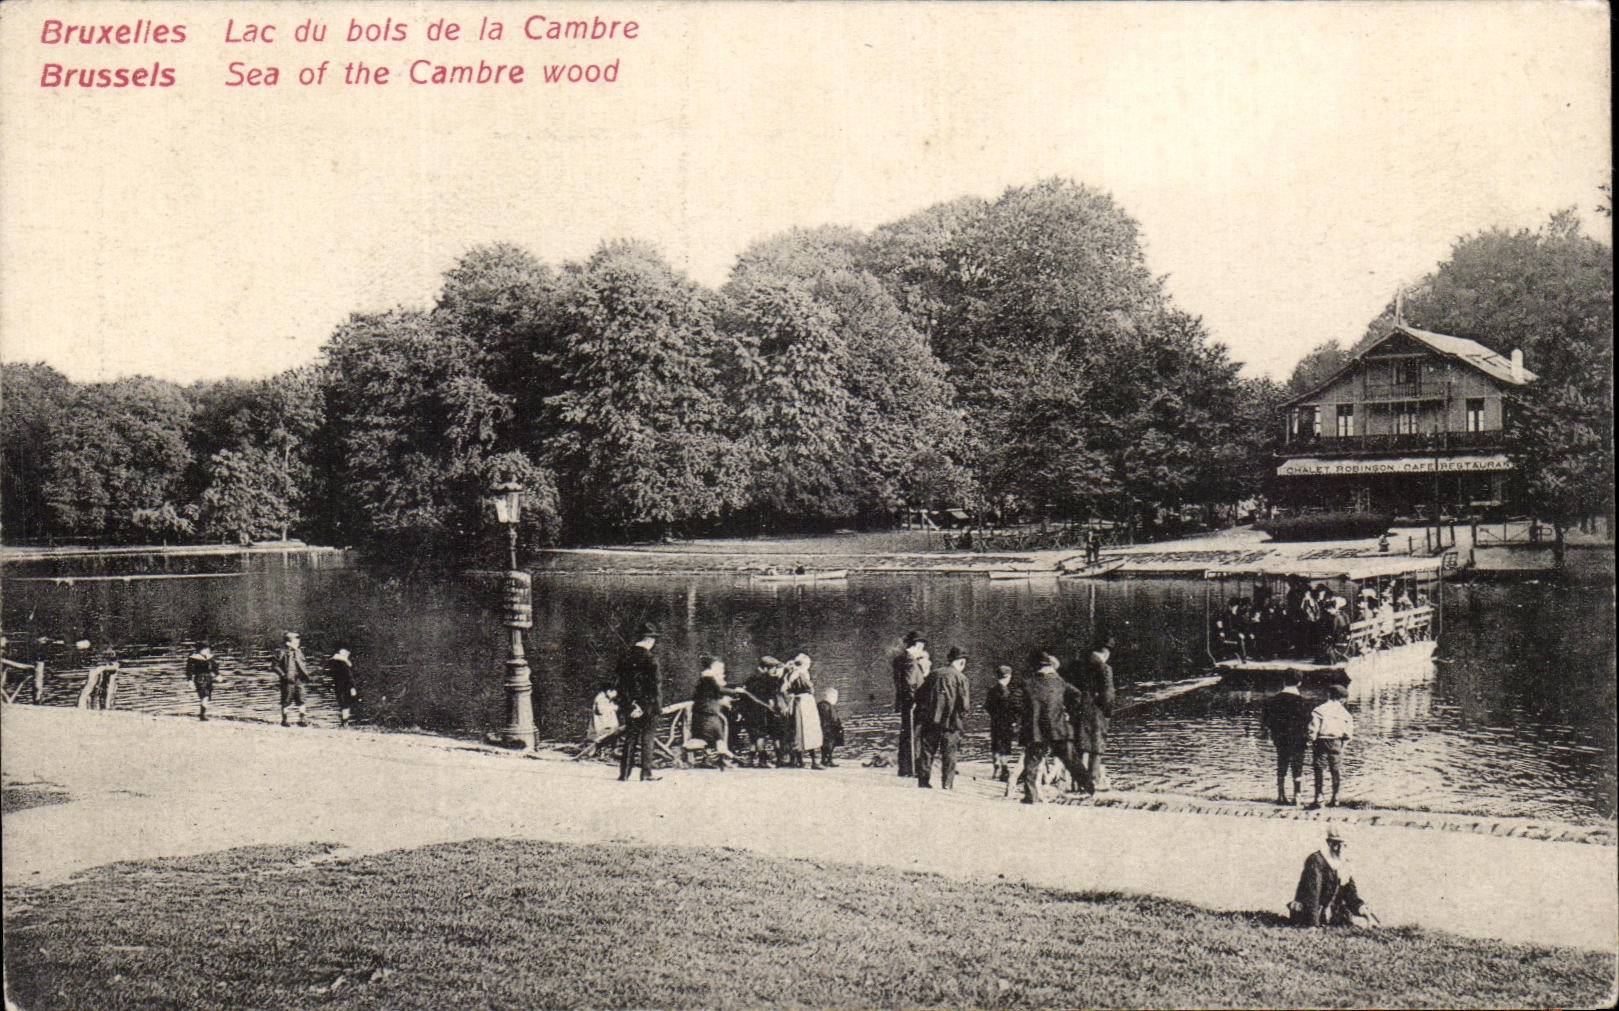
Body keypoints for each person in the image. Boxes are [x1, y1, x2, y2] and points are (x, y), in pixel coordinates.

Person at [1017, 652, 1087, 803]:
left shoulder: (1027, 683)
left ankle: (1031, 796)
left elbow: (1014, 702)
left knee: (1031, 763)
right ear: (1050, 667)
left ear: (1036, 667)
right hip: (1057, 728)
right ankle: (1089, 788)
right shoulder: (1059, 682)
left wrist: (1026, 715)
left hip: (1035, 731)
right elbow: (1077, 695)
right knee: (1071, 760)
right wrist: (1068, 712)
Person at [1289, 825, 1377, 927]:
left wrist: (1368, 916)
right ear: (1328, 843)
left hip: (1332, 916)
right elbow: (1313, 896)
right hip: (1308, 915)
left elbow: (1351, 895)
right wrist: (1313, 926)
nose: (1339, 849)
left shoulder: (1344, 864)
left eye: (1344, 845)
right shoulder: (1316, 861)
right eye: (1336, 844)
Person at [916, 646, 971, 790]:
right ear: (961, 662)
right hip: (951, 722)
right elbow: (964, 705)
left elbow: (920, 695)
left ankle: (923, 781)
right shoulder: (961, 678)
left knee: (927, 752)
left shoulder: (933, 674)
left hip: (931, 720)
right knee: (949, 754)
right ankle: (947, 784)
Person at [615, 623, 663, 782]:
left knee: (630, 737)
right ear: (649, 640)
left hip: (630, 704)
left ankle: (624, 773)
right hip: (648, 705)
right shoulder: (650, 658)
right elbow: (653, 685)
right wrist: (644, 704)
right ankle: (646, 773)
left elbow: (621, 683)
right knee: (647, 738)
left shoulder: (625, 656)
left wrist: (632, 704)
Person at [1261, 671, 1313, 804]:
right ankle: (1297, 796)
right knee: (1298, 765)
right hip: (1298, 738)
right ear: (1299, 683)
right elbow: (1309, 723)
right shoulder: (1304, 702)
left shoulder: (1271, 701)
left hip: (1280, 738)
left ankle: (1281, 795)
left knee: (1282, 763)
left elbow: (1266, 722)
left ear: (1284, 681)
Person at [1076, 635, 1117, 793]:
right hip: (1096, 711)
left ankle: (1078, 781)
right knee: (1097, 745)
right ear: (1106, 653)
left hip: (1080, 709)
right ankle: (1093, 781)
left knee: (1082, 745)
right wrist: (1108, 712)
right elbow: (1108, 694)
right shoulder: (1105, 668)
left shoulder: (1079, 665)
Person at [687, 657, 743, 768]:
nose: (722, 669)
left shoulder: (710, 679)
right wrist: (735, 691)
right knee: (705, 739)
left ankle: (725, 758)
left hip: (711, 712)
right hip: (705, 712)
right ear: (712, 667)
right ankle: (684, 750)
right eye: (719, 667)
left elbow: (715, 694)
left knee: (718, 737)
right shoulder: (708, 678)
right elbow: (719, 690)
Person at [1307, 684, 1354, 807]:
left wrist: (1311, 740)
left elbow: (1313, 729)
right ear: (1342, 699)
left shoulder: (1319, 710)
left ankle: (1319, 797)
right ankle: (1335, 797)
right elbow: (1349, 733)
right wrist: (1343, 745)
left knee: (1319, 768)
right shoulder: (1345, 713)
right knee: (1335, 769)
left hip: (1321, 741)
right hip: (1337, 741)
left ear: (1329, 695)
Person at [890, 631, 930, 777]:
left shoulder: (900, 659)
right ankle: (913, 768)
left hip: (905, 702)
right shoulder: (910, 661)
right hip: (913, 702)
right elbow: (910, 683)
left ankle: (905, 768)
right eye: (922, 646)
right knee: (915, 735)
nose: (923, 650)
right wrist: (913, 700)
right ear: (917, 645)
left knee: (907, 734)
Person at [738, 657, 785, 768]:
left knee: (755, 735)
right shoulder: (765, 679)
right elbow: (770, 697)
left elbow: (744, 695)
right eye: (772, 668)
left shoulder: (751, 678)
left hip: (750, 709)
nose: (774, 670)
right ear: (765, 668)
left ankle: (750, 759)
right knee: (760, 735)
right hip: (759, 710)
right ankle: (763, 760)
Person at [781, 654, 824, 769]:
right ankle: (814, 761)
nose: (809, 666)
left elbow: (785, 689)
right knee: (808, 729)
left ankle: (798, 760)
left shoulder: (791, 674)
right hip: (805, 703)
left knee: (798, 730)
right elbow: (809, 688)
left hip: (799, 702)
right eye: (808, 664)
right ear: (803, 664)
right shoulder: (800, 674)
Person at [984, 664, 1017, 782]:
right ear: (1008, 676)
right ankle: (1004, 767)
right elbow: (1014, 708)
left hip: (995, 722)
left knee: (995, 744)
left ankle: (996, 766)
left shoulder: (992, 690)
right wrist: (1015, 721)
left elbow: (987, 706)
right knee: (1006, 745)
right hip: (1007, 722)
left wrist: (994, 715)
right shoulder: (1010, 691)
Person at [274, 631, 312, 727]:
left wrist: (306, 674)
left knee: (301, 698)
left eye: (298, 642)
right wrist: (283, 675)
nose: (297, 644)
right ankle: (285, 719)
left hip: (298, 679)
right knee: (286, 699)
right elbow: (275, 666)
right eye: (295, 642)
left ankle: (302, 718)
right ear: (288, 643)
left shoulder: (299, 652)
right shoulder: (282, 652)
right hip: (287, 680)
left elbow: (303, 663)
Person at [577, 685, 620, 759]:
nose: (614, 696)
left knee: (607, 737)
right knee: (603, 737)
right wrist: (613, 708)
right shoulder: (601, 699)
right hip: (603, 723)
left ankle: (604, 752)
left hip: (606, 722)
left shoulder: (606, 699)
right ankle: (601, 753)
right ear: (609, 691)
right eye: (613, 693)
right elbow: (601, 710)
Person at [186, 644, 220, 721]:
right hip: (199, 678)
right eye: (206, 649)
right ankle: (203, 715)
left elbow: (214, 668)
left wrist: (218, 676)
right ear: (201, 650)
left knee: (207, 697)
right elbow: (189, 671)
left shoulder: (210, 657)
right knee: (204, 696)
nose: (208, 651)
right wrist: (190, 681)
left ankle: (202, 714)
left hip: (209, 679)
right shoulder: (193, 658)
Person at [328, 647, 359, 726]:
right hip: (345, 686)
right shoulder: (344, 663)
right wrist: (352, 687)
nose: (348, 654)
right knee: (346, 704)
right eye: (347, 653)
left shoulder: (333, 662)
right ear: (343, 653)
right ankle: (345, 722)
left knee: (342, 703)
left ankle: (344, 722)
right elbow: (349, 676)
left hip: (337, 686)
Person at [817, 687, 845, 768]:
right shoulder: (826, 706)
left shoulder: (822, 705)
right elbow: (832, 718)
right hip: (828, 729)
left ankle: (827, 759)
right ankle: (826, 760)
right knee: (829, 745)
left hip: (824, 728)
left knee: (827, 745)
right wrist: (837, 726)